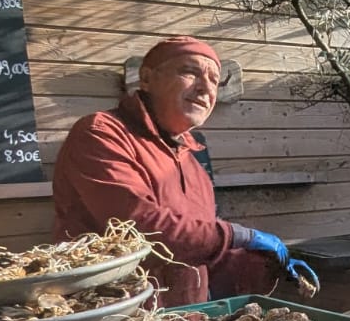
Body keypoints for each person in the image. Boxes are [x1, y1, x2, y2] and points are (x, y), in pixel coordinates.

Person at [51, 36, 309, 307]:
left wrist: (267, 264)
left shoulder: (193, 165)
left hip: (184, 320)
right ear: (147, 78)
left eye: (214, 80)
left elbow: (198, 252)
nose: (205, 88)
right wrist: (238, 235)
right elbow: (138, 228)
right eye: (190, 72)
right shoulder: (102, 133)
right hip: (115, 320)